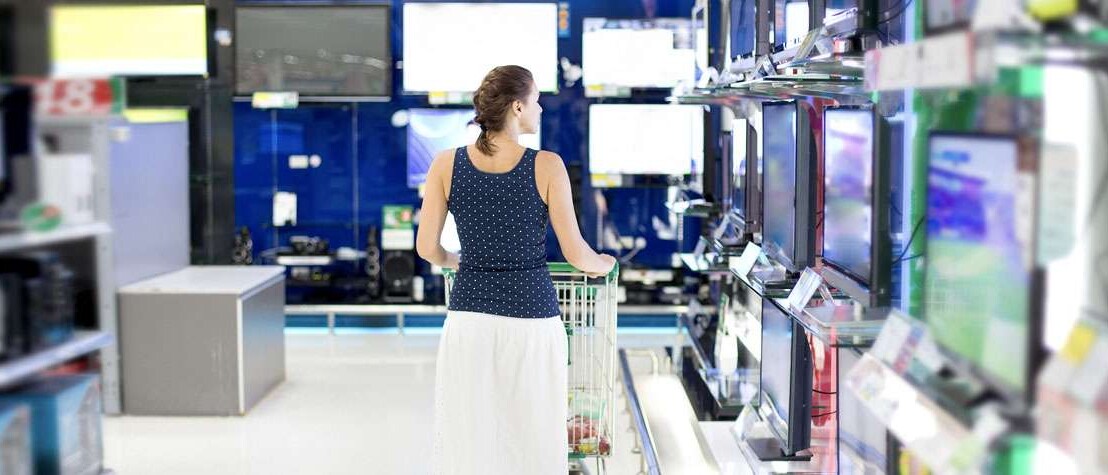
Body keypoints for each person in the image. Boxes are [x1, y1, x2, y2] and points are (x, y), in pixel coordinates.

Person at [415, 65, 616, 475]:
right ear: (517, 106)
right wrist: (605, 264)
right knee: (533, 437)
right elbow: (576, 253)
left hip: (468, 320)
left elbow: (426, 248)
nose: (541, 108)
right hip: (531, 321)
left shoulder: (444, 164)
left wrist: (455, 261)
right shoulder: (546, 166)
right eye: (537, 100)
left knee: (470, 437)